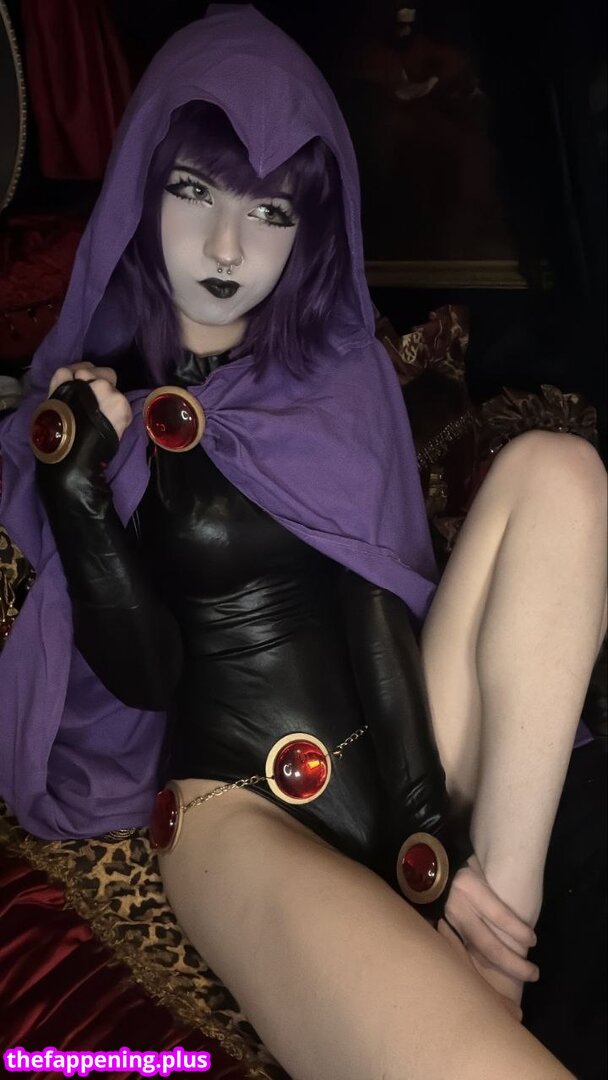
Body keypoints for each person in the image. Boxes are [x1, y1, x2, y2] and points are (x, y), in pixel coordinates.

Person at [0, 7, 605, 1079]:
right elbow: (146, 677)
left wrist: (430, 834)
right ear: (143, 187)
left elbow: (374, 600)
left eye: (269, 210)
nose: (228, 248)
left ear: (309, 227)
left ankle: (494, 943)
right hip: (234, 808)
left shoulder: (334, 373)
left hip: (393, 738)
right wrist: (78, 494)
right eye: (195, 193)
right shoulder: (95, 397)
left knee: (560, 470)